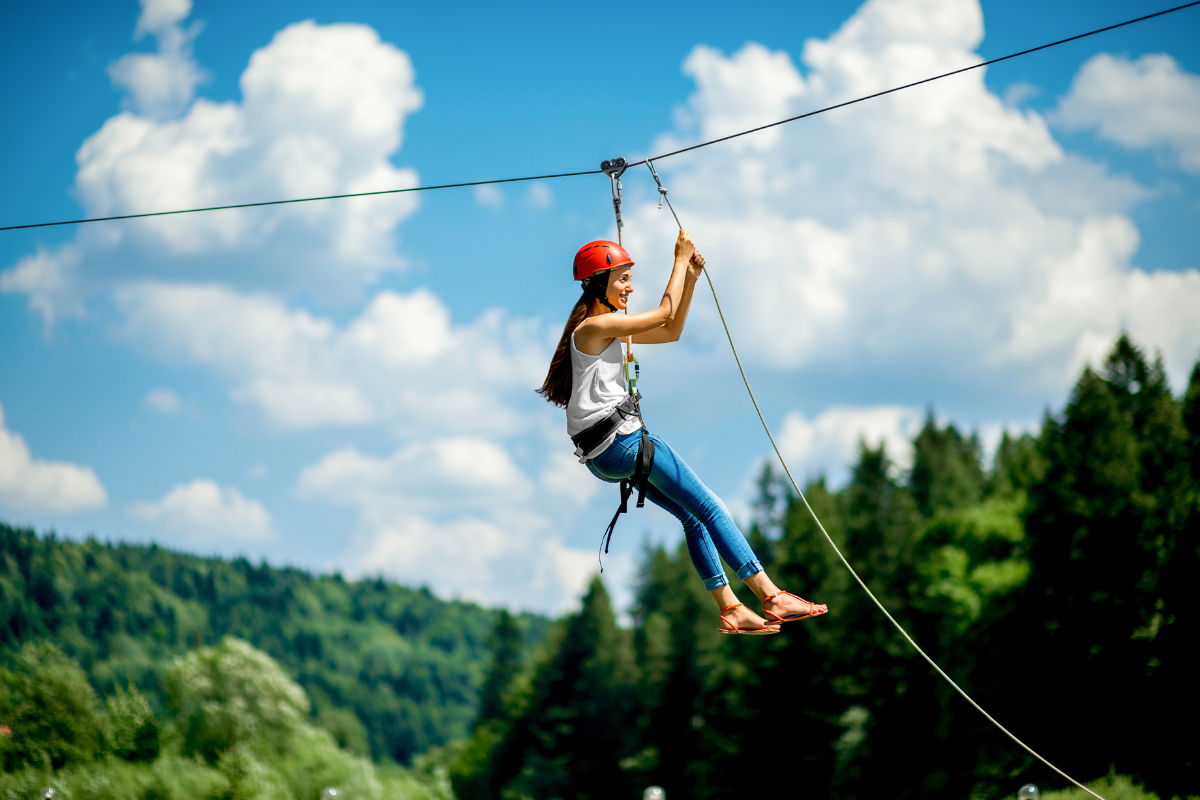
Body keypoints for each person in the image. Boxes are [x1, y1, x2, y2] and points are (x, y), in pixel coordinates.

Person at [538, 230, 828, 634]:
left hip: (604, 456)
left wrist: (689, 278)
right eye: (622, 278)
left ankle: (730, 608)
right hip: (622, 444)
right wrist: (678, 259)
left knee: (693, 518)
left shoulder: (606, 328)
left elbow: (670, 330)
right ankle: (769, 594)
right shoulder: (594, 326)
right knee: (711, 506)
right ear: (599, 283)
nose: (629, 286)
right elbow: (661, 313)